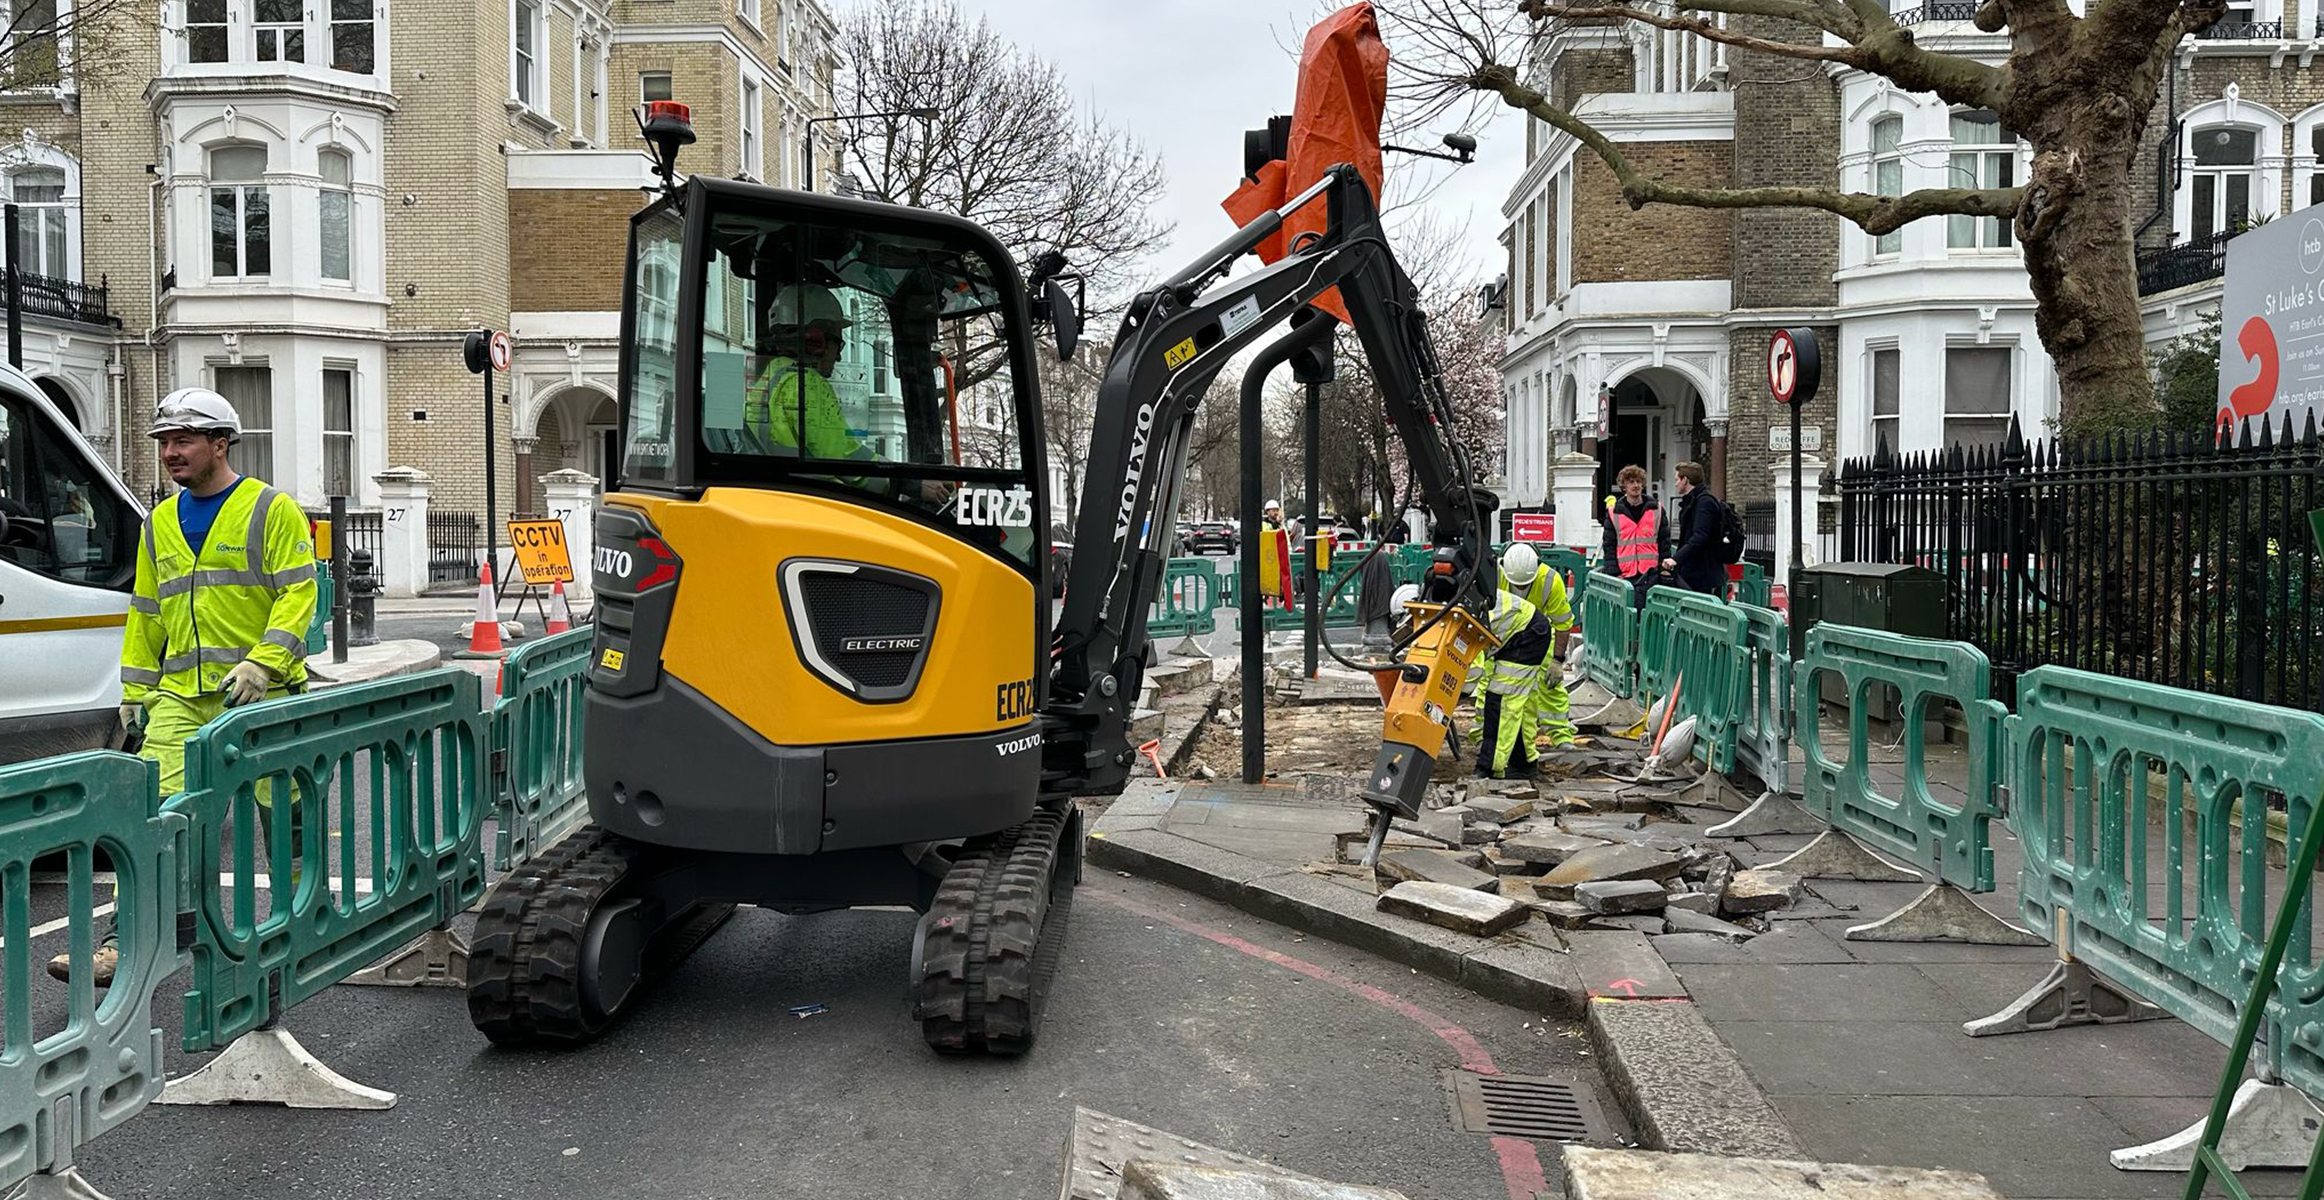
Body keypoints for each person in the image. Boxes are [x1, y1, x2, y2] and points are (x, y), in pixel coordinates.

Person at [58, 389, 318, 985]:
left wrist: (266, 663)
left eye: (183, 441)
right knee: (152, 815)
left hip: (262, 693)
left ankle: (301, 925)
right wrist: (135, 692)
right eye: (164, 443)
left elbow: (298, 592)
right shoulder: (159, 523)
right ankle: (126, 941)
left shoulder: (269, 508)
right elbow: (147, 612)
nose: (170, 453)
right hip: (179, 697)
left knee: (286, 815)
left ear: (220, 443)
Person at [743, 283, 863, 461]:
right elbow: (843, 456)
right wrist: (899, 479)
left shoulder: (768, 379)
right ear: (817, 342)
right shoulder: (807, 383)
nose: (838, 356)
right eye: (838, 343)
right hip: (814, 488)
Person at [1472, 569, 1557, 780]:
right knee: (1521, 704)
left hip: (1527, 636)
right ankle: (1523, 762)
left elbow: (1470, 671)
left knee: (1500, 701)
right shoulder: (1456, 604)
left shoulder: (1459, 616)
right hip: (1525, 630)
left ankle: (1489, 767)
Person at [1497, 543, 1577, 749]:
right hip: (1501, 634)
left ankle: (1561, 735)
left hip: (1538, 634)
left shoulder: (1550, 580)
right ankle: (1487, 734)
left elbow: (1563, 623)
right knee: (1492, 684)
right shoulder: (1496, 575)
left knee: (1550, 684)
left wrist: (1557, 661)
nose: (1521, 588)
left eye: (1525, 585)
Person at [1600, 465, 1669, 609]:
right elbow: (1609, 545)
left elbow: (1664, 541)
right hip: (1626, 574)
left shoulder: (1657, 510)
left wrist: (1664, 569)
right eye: (1631, 482)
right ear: (1624, 486)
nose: (1636, 485)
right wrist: (1614, 572)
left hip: (1651, 572)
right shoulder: (1614, 513)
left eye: (1638, 481)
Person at [1664, 460, 1727, 596]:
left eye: (1677, 480)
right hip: (1694, 571)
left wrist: (1676, 559)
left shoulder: (1704, 502)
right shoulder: (1695, 500)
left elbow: (1700, 536)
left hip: (1704, 574)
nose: (1675, 484)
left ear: (1685, 480)